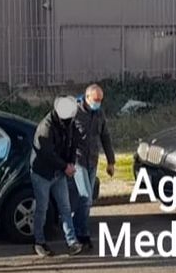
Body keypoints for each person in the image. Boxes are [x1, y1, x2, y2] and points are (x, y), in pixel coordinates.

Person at [30, 96, 83, 257]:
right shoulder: (45, 128)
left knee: (65, 207)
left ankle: (72, 241)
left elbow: (72, 143)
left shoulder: (68, 123)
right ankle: (39, 242)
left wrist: (71, 163)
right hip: (42, 174)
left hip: (59, 172)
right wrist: (65, 166)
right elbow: (47, 154)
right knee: (42, 209)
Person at [73, 84, 116, 250]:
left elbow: (105, 137)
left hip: (92, 160)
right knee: (86, 197)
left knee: (87, 200)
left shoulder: (99, 114)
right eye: (96, 100)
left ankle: (78, 229)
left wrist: (111, 162)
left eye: (100, 100)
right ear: (87, 97)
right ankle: (81, 233)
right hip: (77, 160)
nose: (98, 103)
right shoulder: (75, 112)